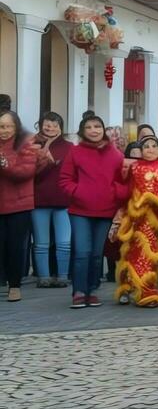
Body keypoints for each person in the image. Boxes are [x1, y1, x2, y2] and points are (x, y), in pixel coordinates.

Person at [59, 115, 127, 309]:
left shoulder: (115, 154)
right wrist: (78, 192)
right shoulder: (75, 152)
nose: (94, 130)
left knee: (97, 254)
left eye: (97, 126)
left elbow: (123, 181)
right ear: (83, 131)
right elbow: (65, 180)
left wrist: (114, 193)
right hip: (79, 211)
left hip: (105, 211)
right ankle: (79, 291)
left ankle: (93, 290)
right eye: (89, 127)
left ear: (103, 129)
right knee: (82, 251)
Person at [114, 137, 158, 308]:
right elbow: (128, 189)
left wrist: (153, 201)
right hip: (137, 216)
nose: (150, 149)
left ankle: (147, 287)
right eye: (146, 146)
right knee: (135, 251)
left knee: (154, 253)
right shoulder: (134, 167)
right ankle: (135, 288)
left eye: (154, 146)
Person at [0, 110, 39, 302]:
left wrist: (4, 163)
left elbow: (24, 172)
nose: (4, 131)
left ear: (16, 127)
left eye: (8, 126)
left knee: (15, 247)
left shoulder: (26, 145)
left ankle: (14, 285)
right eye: (1, 127)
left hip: (19, 205)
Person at [31, 112, 73, 288]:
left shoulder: (70, 146)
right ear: (40, 125)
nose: (51, 128)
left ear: (61, 127)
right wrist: (44, 158)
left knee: (64, 243)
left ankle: (63, 276)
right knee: (41, 243)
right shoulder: (31, 145)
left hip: (64, 200)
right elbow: (28, 173)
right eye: (47, 124)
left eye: (55, 125)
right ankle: (44, 277)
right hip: (39, 199)